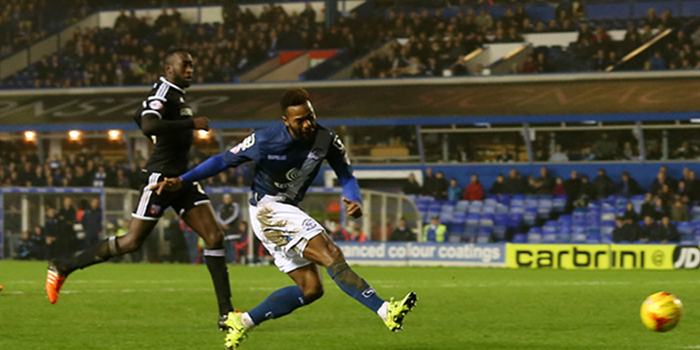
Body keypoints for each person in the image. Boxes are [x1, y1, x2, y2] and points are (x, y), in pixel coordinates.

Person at [150, 88, 416, 349]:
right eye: (300, 120)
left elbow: (345, 174)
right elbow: (223, 161)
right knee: (331, 253)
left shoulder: (327, 139)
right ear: (285, 121)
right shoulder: (265, 140)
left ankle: (242, 321)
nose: (308, 124)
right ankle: (385, 310)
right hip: (268, 209)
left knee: (311, 289)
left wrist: (353, 198)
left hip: (283, 209)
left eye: (310, 116)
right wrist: (182, 180)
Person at [45, 49, 237, 339]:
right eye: (185, 65)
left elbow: (139, 115)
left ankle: (226, 314)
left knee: (215, 236)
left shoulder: (177, 95)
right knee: (132, 241)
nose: (190, 70)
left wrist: (169, 133)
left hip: (181, 179)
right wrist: (190, 123)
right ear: (169, 68)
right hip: (159, 179)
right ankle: (63, 265)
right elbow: (147, 122)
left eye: (192, 65)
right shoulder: (163, 91)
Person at [218, 194, 241, 264]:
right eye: (225, 199)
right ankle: (227, 261)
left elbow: (235, 215)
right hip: (224, 232)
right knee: (225, 247)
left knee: (232, 247)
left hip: (233, 231)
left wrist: (226, 223)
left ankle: (234, 260)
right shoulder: (221, 207)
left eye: (228, 198)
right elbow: (218, 216)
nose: (227, 200)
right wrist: (222, 223)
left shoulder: (235, 206)